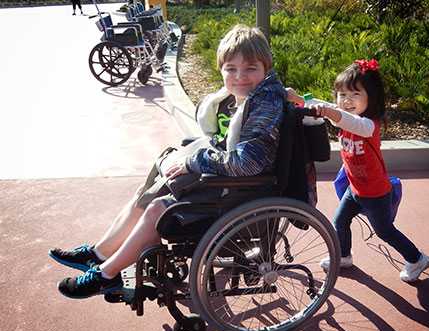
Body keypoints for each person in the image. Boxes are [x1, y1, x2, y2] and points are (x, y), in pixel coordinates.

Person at [50, 24, 287, 298]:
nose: (240, 76)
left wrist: (194, 162)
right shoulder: (254, 97)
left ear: (265, 68)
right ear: (221, 69)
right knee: (152, 185)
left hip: (242, 192)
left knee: (156, 209)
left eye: (250, 68)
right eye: (231, 69)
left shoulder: (265, 103)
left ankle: (106, 275)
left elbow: (247, 163)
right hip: (229, 182)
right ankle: (99, 253)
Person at [288, 59, 429, 282]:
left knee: (384, 231)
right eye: (342, 94)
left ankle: (417, 259)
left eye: (355, 95)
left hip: (375, 193)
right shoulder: (344, 115)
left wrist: (329, 112)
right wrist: (299, 100)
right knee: (340, 221)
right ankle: (344, 256)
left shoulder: (368, 125)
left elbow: (345, 119)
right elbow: (332, 109)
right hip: (355, 189)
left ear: (371, 98)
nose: (347, 101)